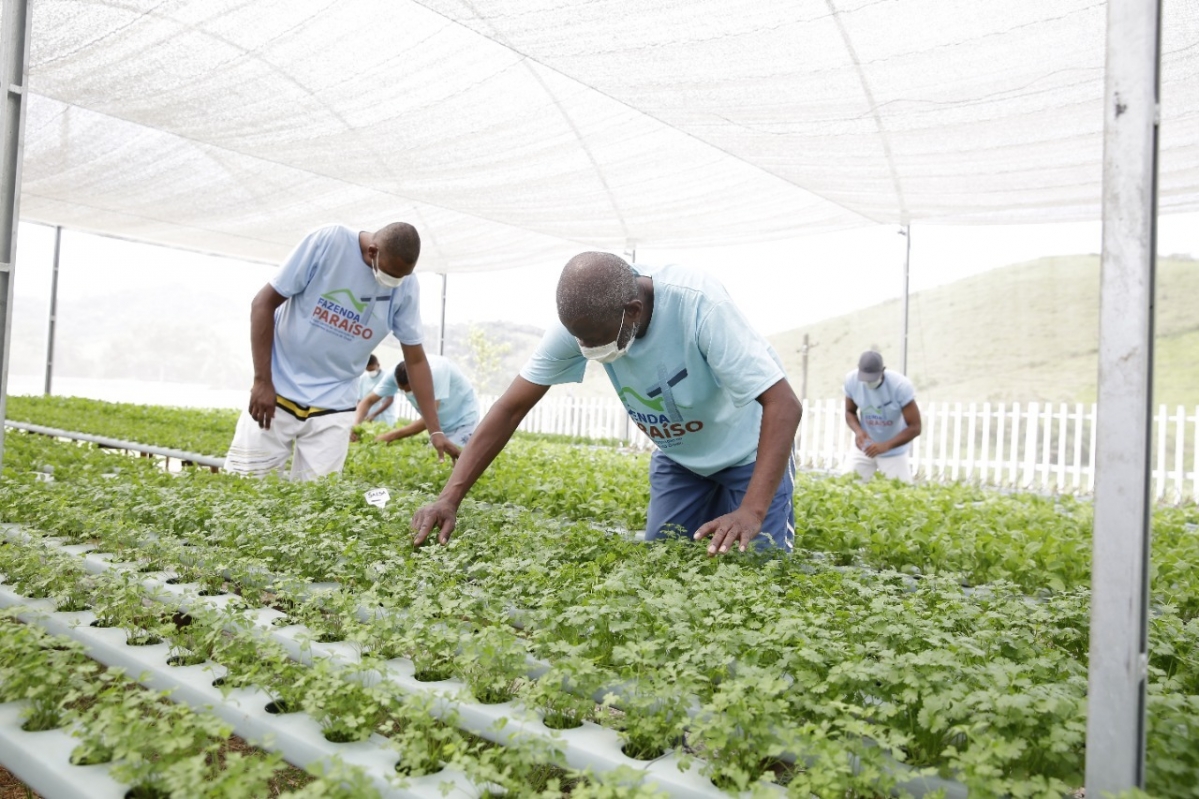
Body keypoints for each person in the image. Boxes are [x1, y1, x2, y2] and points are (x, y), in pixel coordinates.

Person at [412, 252, 802, 556]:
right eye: (580, 341)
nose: (587, 349)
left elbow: (784, 404)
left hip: (748, 453)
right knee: (662, 560)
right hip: (681, 459)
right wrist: (448, 498)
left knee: (758, 566)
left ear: (633, 311)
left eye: (596, 339)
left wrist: (751, 511)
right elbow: (510, 408)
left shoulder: (699, 305)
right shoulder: (581, 322)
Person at [225, 222, 459, 481]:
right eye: (390, 274)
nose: (394, 283)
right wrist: (262, 381)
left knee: (317, 497)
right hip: (276, 390)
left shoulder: (406, 286)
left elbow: (415, 360)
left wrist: (435, 430)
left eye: (401, 277)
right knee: (247, 483)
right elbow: (263, 303)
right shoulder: (330, 242)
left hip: (334, 404)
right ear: (372, 251)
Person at [356, 355, 480, 446]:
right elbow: (368, 401)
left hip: (462, 420)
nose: (408, 394)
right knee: (434, 461)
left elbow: (430, 419)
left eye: (411, 390)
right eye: (403, 390)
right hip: (440, 427)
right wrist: (355, 427)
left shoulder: (437, 372)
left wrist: (390, 436)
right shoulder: (393, 374)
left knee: (453, 462)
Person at [842, 350, 922, 483]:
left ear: (883, 370)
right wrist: (859, 431)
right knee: (845, 485)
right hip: (864, 448)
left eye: (872, 378)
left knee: (901, 492)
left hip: (893, 451)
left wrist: (886, 445)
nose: (868, 382)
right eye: (865, 378)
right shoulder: (852, 380)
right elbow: (850, 412)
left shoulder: (900, 386)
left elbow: (915, 427)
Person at [356, 354, 399, 426]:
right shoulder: (363, 378)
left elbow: (389, 399)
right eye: (368, 370)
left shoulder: (387, 376)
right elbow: (359, 400)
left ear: (378, 365)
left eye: (372, 369)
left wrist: (374, 414)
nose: (371, 372)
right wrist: (359, 415)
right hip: (367, 420)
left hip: (385, 419)